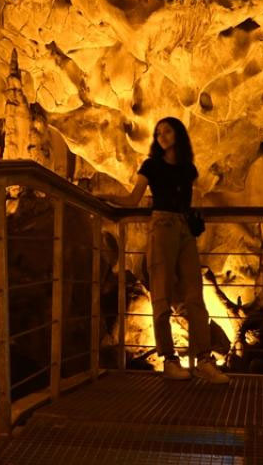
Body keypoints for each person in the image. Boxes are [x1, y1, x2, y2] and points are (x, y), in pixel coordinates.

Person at [96, 117, 229, 384]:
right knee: (161, 295)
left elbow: (184, 202)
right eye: (158, 133)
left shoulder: (188, 169)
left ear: (178, 134)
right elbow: (133, 199)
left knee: (195, 295)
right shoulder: (151, 166)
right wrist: (104, 197)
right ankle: (169, 360)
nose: (162, 136)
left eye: (167, 131)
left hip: (184, 231)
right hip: (162, 227)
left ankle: (203, 360)